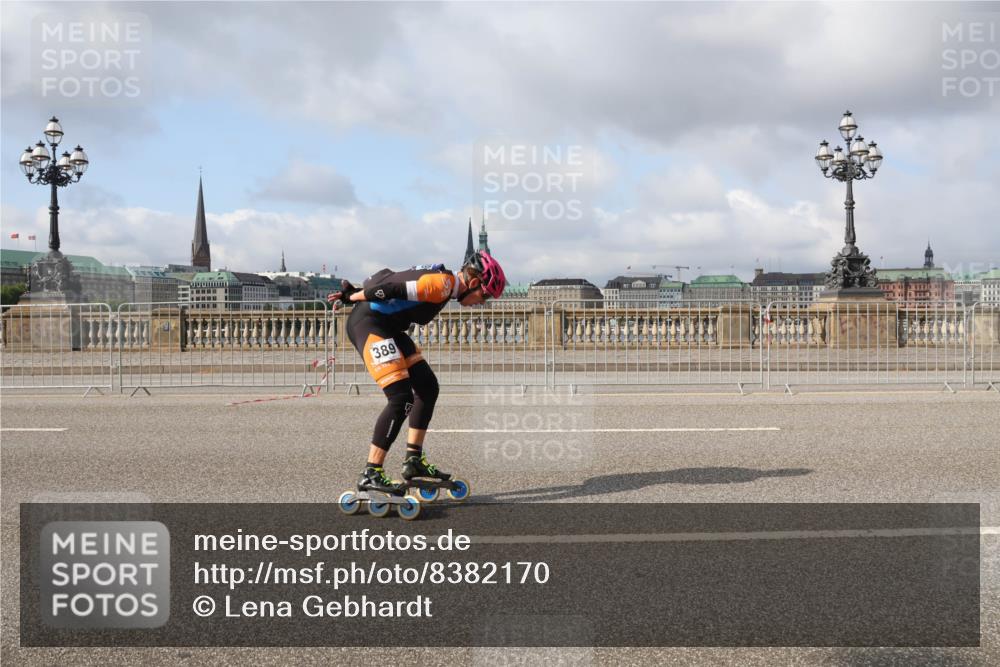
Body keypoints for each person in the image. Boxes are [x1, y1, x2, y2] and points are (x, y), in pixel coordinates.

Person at [328, 251, 506, 497]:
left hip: (388, 327)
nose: (483, 302)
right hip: (370, 325)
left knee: (427, 387)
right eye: (484, 295)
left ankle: (414, 460)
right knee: (400, 398)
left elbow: (391, 280)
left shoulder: (445, 283)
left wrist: (357, 292)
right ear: (474, 282)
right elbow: (390, 288)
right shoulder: (442, 285)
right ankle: (371, 472)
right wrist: (353, 296)